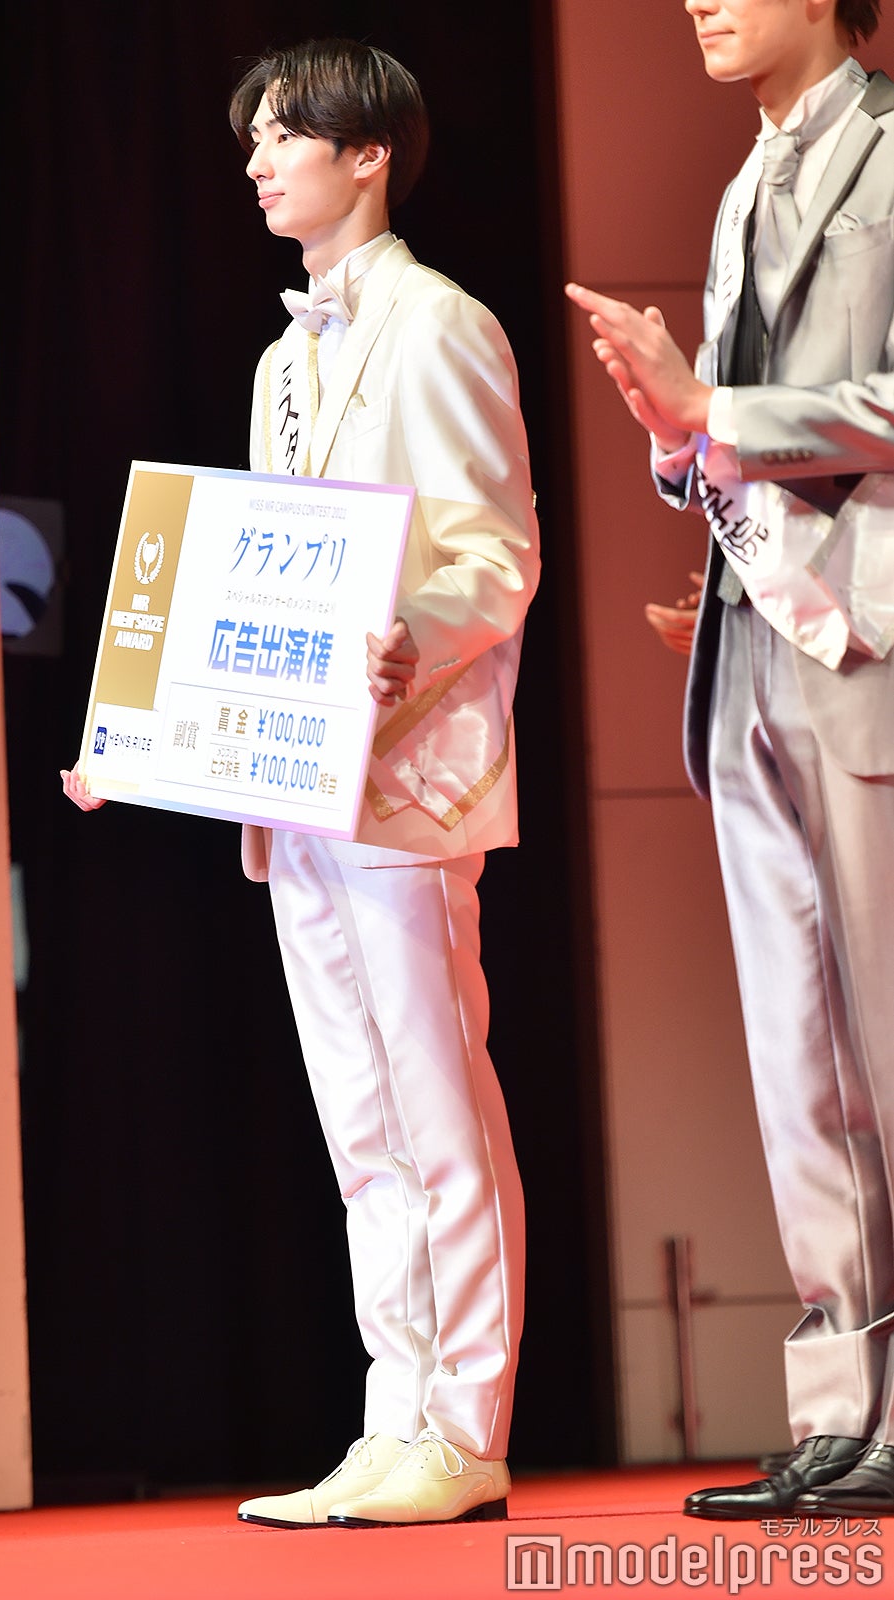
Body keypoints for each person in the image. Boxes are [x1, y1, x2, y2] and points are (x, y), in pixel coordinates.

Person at [64, 36, 539, 1527]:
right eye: (255, 138)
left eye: (284, 135)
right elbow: (249, 582)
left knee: (436, 1101)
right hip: (300, 786)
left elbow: (497, 554)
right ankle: (393, 1415)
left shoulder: (443, 324)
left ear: (367, 154)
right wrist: (146, 733)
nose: (258, 161)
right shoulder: (282, 361)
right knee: (360, 1124)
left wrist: (415, 638)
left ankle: (465, 1428)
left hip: (410, 776)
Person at [566, 0, 894, 1520]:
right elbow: (721, 435)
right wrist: (670, 427)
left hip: (868, 646)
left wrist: (715, 408)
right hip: (750, 639)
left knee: (883, 1034)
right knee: (796, 1052)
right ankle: (845, 1406)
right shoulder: (740, 183)